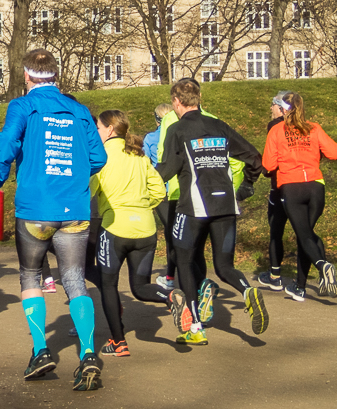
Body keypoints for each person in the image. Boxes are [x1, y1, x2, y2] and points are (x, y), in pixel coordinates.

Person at [0, 49, 107, 391]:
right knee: (74, 278)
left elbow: (8, 142)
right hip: (74, 210)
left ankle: (41, 350)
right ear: (56, 75)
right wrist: (74, 174)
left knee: (29, 276)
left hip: (35, 208)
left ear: (27, 77)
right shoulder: (80, 110)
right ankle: (87, 354)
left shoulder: (23, 106)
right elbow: (98, 157)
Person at [155, 78, 266, 345]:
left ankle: (195, 328)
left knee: (183, 261)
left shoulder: (178, 130)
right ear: (199, 98)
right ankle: (247, 290)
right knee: (225, 266)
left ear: (176, 102)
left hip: (193, 207)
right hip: (226, 205)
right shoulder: (219, 126)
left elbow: (167, 169)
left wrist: (142, 179)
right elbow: (254, 158)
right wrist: (246, 187)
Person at [89, 110, 171, 357]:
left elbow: (88, 191)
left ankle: (118, 342)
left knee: (108, 284)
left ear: (110, 130)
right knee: (140, 287)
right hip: (145, 228)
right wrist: (141, 206)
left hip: (115, 228)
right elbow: (158, 191)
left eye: (99, 128)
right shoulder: (139, 155)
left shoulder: (100, 156)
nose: (97, 132)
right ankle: (171, 297)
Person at [261, 91, 337, 300]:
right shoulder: (314, 128)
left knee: (304, 236)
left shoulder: (277, 130)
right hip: (316, 186)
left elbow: (268, 165)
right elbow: (334, 152)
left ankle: (323, 265)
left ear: (283, 109)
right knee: (307, 235)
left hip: (292, 186)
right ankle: (300, 287)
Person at [257, 91, 297, 292]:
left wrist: (265, 169)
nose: (270, 108)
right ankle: (309, 274)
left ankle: (275, 275)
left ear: (282, 109)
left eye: (273, 104)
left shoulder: (275, 126)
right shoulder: (303, 125)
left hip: (280, 184)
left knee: (276, 230)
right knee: (304, 232)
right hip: (304, 184)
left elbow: (270, 159)